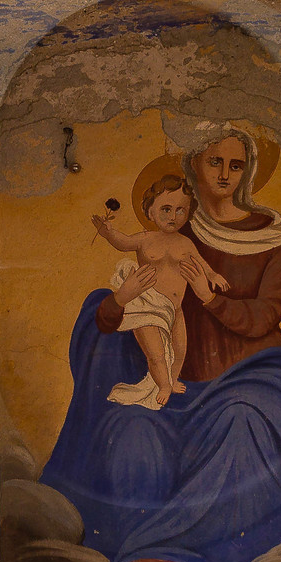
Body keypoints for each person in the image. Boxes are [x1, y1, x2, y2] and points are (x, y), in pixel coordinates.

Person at [40, 123, 281, 562]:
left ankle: (166, 553)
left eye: (236, 165)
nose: (225, 174)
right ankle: (114, 556)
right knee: (129, 430)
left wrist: (208, 297)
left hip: (257, 377)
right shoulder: (169, 228)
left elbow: (262, 319)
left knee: (242, 423)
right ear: (194, 167)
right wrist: (118, 300)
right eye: (214, 162)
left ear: (249, 171)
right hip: (178, 384)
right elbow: (125, 308)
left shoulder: (275, 240)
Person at [91, 173, 228, 411]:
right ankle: (163, 385)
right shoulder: (145, 239)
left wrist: (213, 275)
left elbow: (201, 262)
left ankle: (172, 379)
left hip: (175, 309)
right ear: (150, 212)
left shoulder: (185, 243)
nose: (173, 216)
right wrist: (108, 233)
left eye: (180, 210)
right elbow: (122, 242)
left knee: (180, 348)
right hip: (148, 307)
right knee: (155, 354)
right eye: (165, 209)